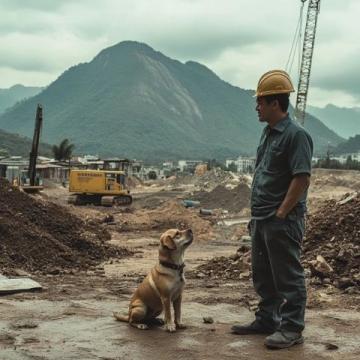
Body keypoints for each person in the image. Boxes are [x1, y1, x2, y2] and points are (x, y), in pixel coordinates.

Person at [231, 70, 313, 349]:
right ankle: (268, 319)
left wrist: (281, 212)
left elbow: (301, 178)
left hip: (282, 220)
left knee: (288, 275)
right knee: (263, 273)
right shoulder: (268, 134)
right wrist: (258, 216)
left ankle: (291, 328)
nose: (256, 107)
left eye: (260, 102)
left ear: (275, 103)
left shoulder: (296, 135)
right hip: (262, 218)